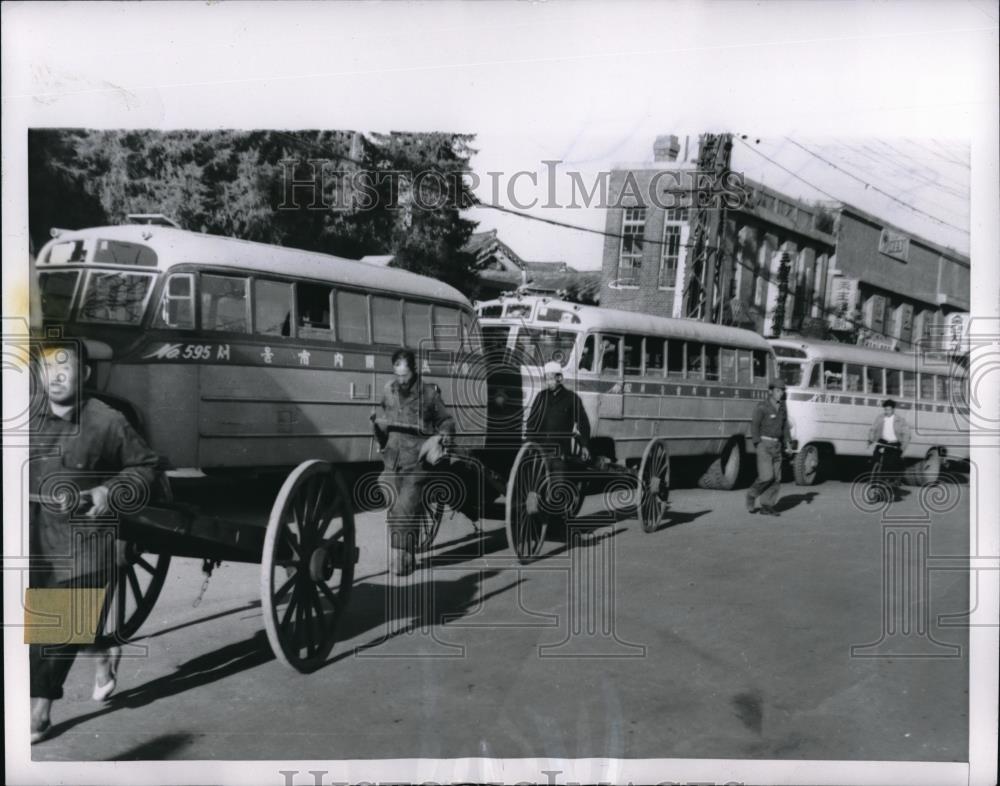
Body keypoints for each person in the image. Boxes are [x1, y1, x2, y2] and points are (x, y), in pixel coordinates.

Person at [28, 341, 160, 743]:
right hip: (34, 536)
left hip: (86, 539)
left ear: (84, 374)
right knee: (48, 622)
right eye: (48, 367)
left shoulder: (107, 421)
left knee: (55, 624)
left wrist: (109, 490)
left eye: (66, 366)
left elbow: (146, 467)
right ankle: (101, 651)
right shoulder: (26, 419)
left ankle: (39, 712)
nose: (57, 375)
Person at [372, 349, 457, 577]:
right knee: (390, 498)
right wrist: (380, 431)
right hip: (392, 459)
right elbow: (384, 415)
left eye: (406, 375)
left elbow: (446, 420)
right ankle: (406, 552)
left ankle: (402, 559)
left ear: (414, 370)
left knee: (404, 507)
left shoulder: (428, 394)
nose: (402, 380)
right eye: (398, 375)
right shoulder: (388, 391)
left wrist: (443, 437)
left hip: (417, 462)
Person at [746, 379, 792, 517]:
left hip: (777, 446)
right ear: (770, 391)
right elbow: (754, 426)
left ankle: (767, 505)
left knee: (776, 479)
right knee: (767, 476)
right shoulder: (762, 406)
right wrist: (758, 443)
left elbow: (785, 427)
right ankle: (751, 494)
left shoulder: (783, 407)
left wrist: (788, 444)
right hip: (764, 445)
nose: (780, 394)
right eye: (778, 391)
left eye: (782, 391)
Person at [867, 399, 911, 498]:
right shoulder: (880, 418)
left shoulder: (900, 420)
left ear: (893, 410)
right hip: (882, 442)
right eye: (885, 410)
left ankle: (891, 482)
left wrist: (903, 446)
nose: (887, 412)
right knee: (874, 460)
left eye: (889, 410)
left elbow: (907, 434)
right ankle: (874, 483)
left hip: (894, 444)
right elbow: (872, 429)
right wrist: (871, 438)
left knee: (892, 464)